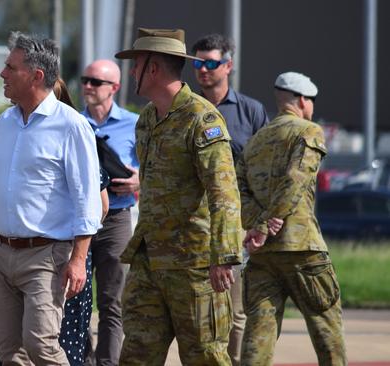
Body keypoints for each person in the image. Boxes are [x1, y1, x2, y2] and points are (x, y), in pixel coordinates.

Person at [0, 32, 102, 365]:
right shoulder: (4, 123)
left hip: (47, 257)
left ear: (36, 76)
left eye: (10, 67)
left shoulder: (72, 126)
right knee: (9, 352)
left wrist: (78, 260)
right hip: (1, 254)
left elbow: (88, 201)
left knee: (41, 346)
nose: (2, 74)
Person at [114, 28, 242, 365]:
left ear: (153, 69)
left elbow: (223, 191)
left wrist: (224, 255)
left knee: (205, 356)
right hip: (149, 260)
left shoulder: (202, 118)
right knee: (136, 355)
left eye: (136, 64)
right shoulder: (146, 120)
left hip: (195, 265)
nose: (132, 73)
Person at [236, 72, 347, 366]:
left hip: (262, 255)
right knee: (327, 330)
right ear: (301, 101)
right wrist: (269, 221)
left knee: (258, 335)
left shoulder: (255, 141)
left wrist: (258, 225)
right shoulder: (308, 131)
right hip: (301, 248)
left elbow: (240, 190)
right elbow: (296, 179)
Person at [191, 33, 269, 365]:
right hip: (192, 221)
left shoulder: (250, 112)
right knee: (193, 311)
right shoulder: (187, 108)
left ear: (228, 65)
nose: (204, 70)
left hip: (236, 223)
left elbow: (267, 169)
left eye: (211, 63)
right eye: (198, 63)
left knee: (233, 310)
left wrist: (263, 223)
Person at [80, 59, 139, 366]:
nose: (87, 86)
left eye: (95, 82)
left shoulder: (135, 123)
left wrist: (138, 179)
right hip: (78, 221)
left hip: (116, 219)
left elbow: (154, 167)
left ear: (114, 88)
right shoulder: (72, 121)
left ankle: (107, 363)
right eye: (84, 80)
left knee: (111, 301)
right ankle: (84, 361)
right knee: (75, 299)